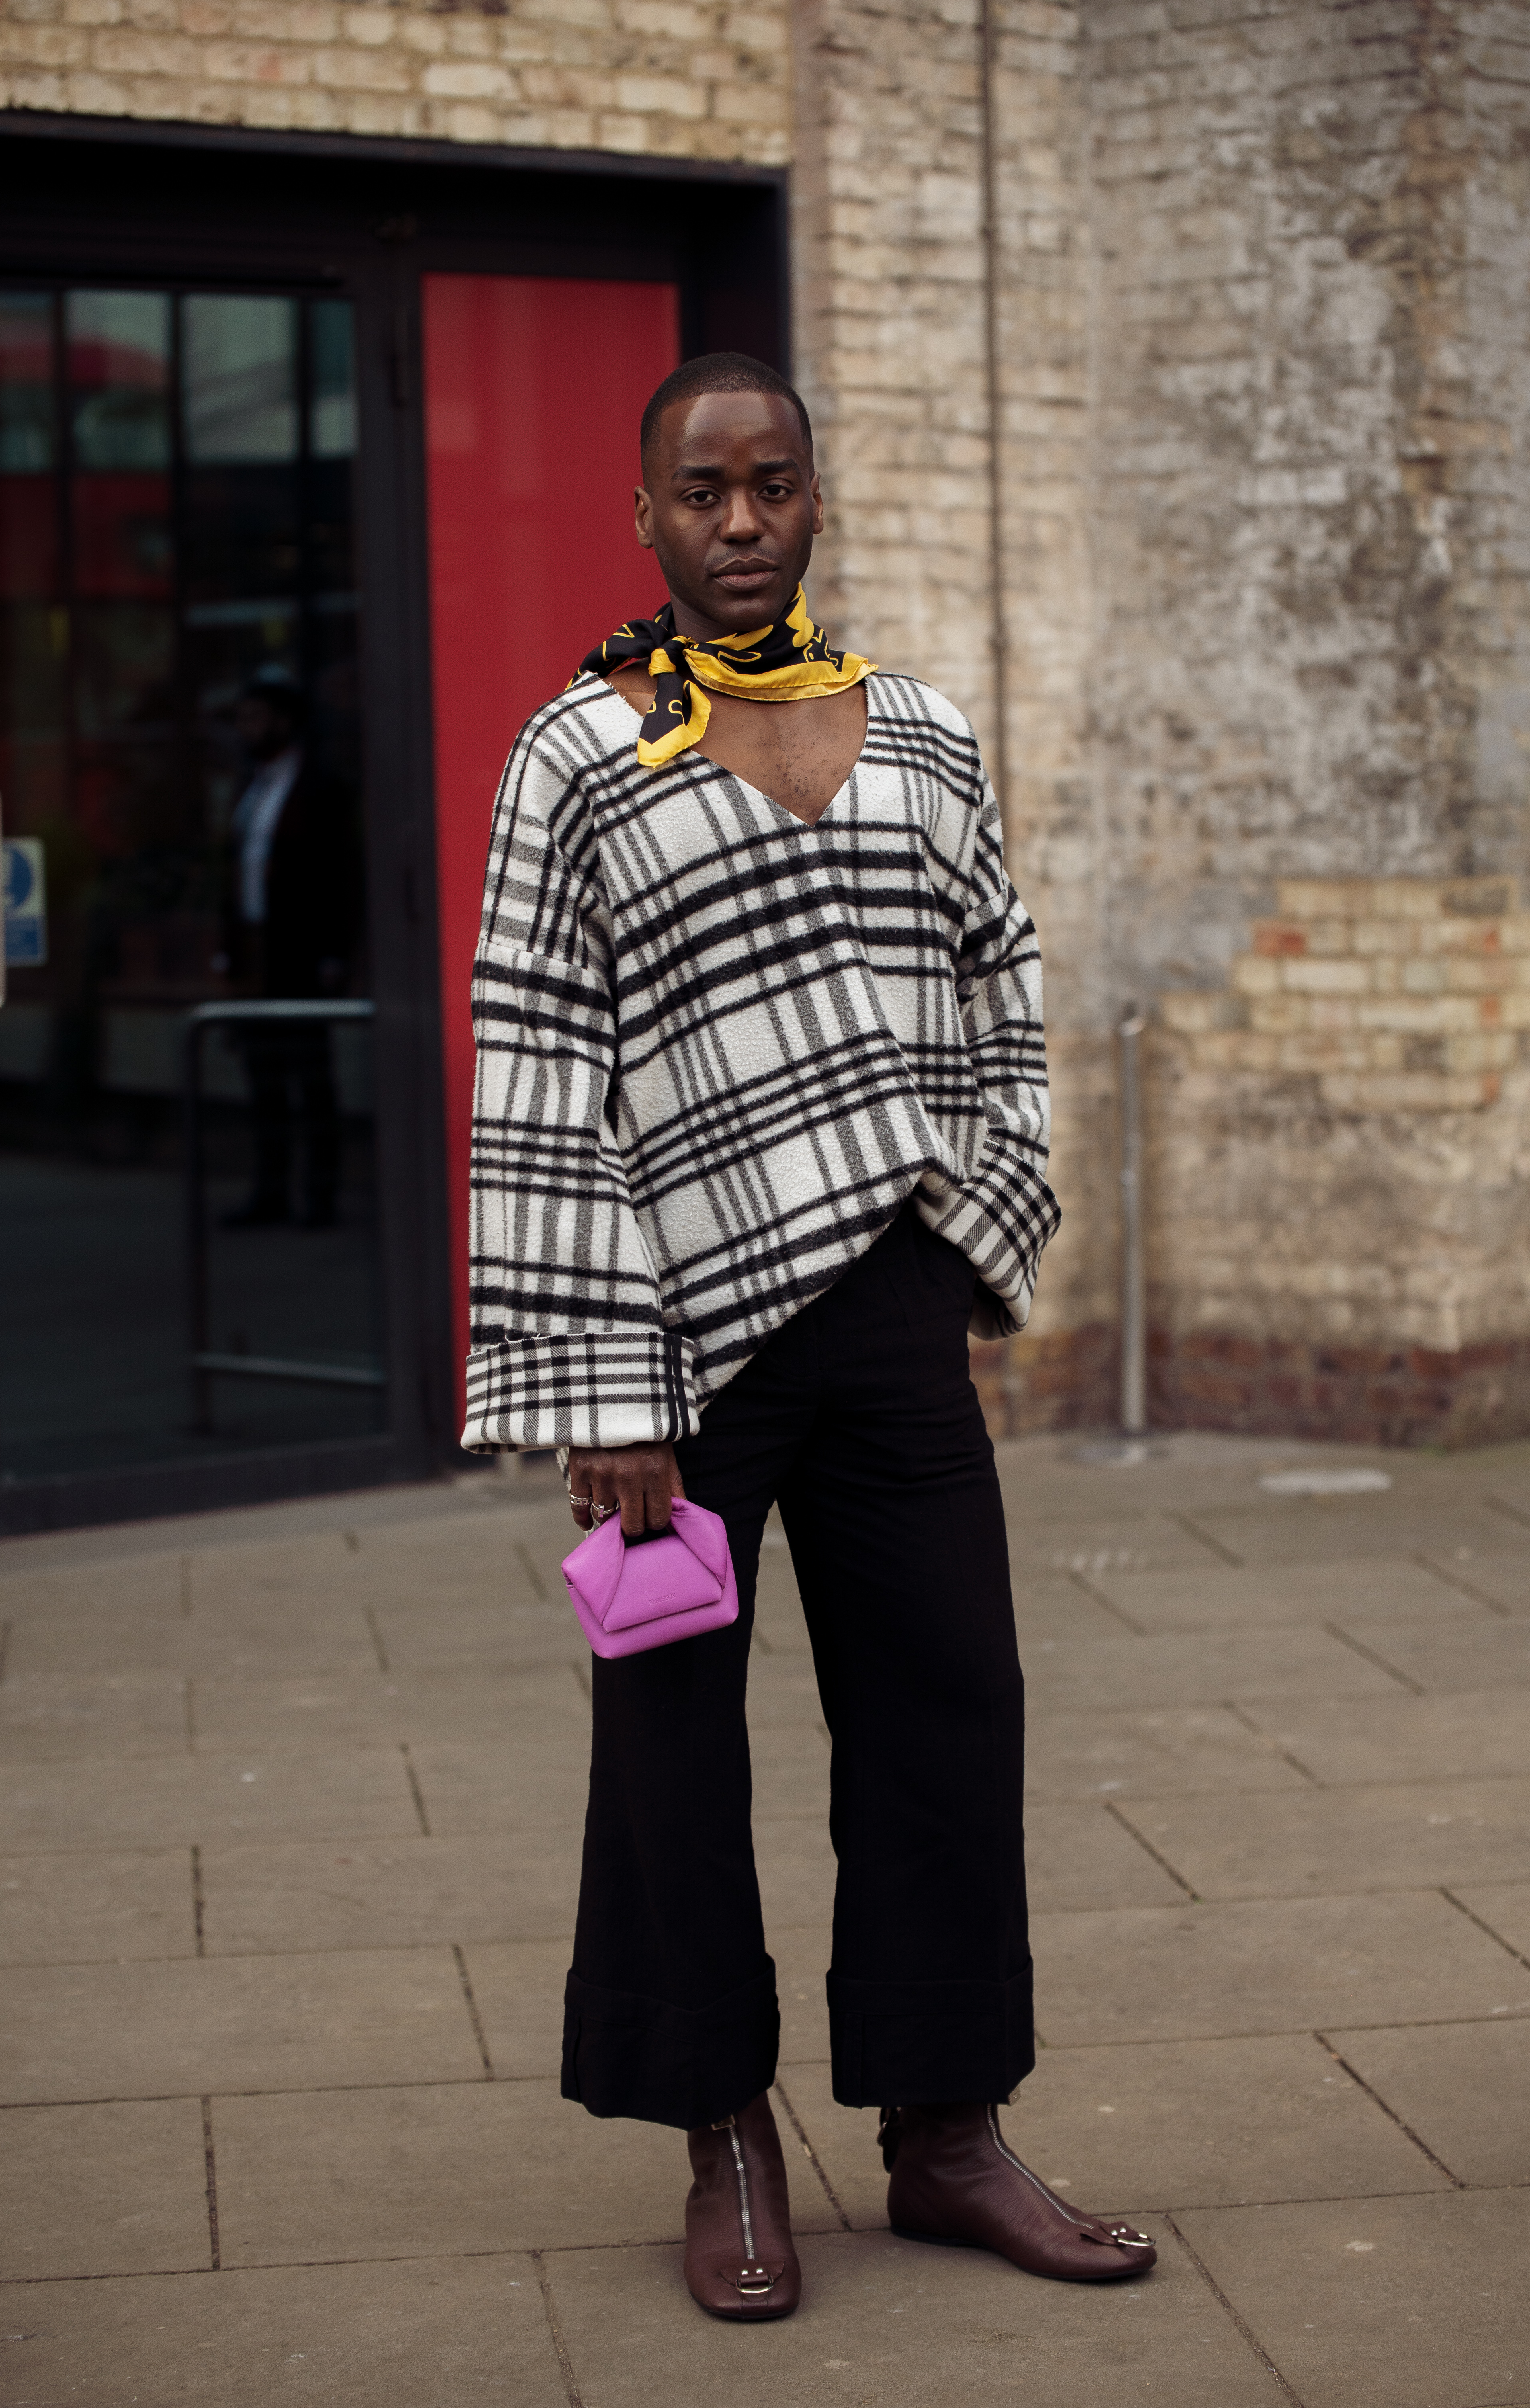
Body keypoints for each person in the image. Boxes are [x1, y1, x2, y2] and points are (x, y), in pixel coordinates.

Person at [463, 353, 1155, 2319]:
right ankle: (726, 2138)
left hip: (890, 1314)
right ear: (648, 522)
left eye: (773, 485)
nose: (742, 523)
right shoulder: (578, 754)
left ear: (818, 500)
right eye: (704, 493)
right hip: (677, 1355)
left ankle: (944, 2137)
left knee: (950, 1714)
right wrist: (603, 1388)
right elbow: (539, 1071)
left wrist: (977, 1230)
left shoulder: (924, 737)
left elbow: (1002, 983)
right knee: (670, 1748)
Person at [221, 666, 361, 1229]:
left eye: (257, 717)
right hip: (256, 951)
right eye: (243, 718)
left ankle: (320, 1197)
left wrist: (335, 953)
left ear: (285, 721)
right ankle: (271, 1192)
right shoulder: (250, 788)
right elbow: (236, 871)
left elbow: (338, 875)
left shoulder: (319, 788)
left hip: (302, 951)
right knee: (264, 1080)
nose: (248, 729)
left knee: (311, 1078)